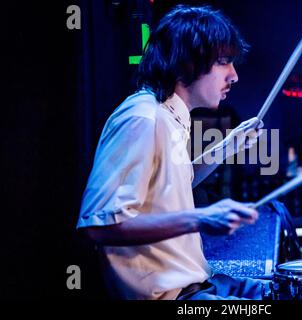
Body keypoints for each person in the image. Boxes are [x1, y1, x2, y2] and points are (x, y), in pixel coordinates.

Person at [77, 4, 267, 300]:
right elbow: (100, 226)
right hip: (174, 298)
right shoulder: (143, 118)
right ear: (187, 63)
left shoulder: (169, 116)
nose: (234, 75)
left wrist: (228, 145)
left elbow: (167, 190)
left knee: (287, 286)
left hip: (198, 284)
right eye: (223, 62)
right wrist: (200, 218)